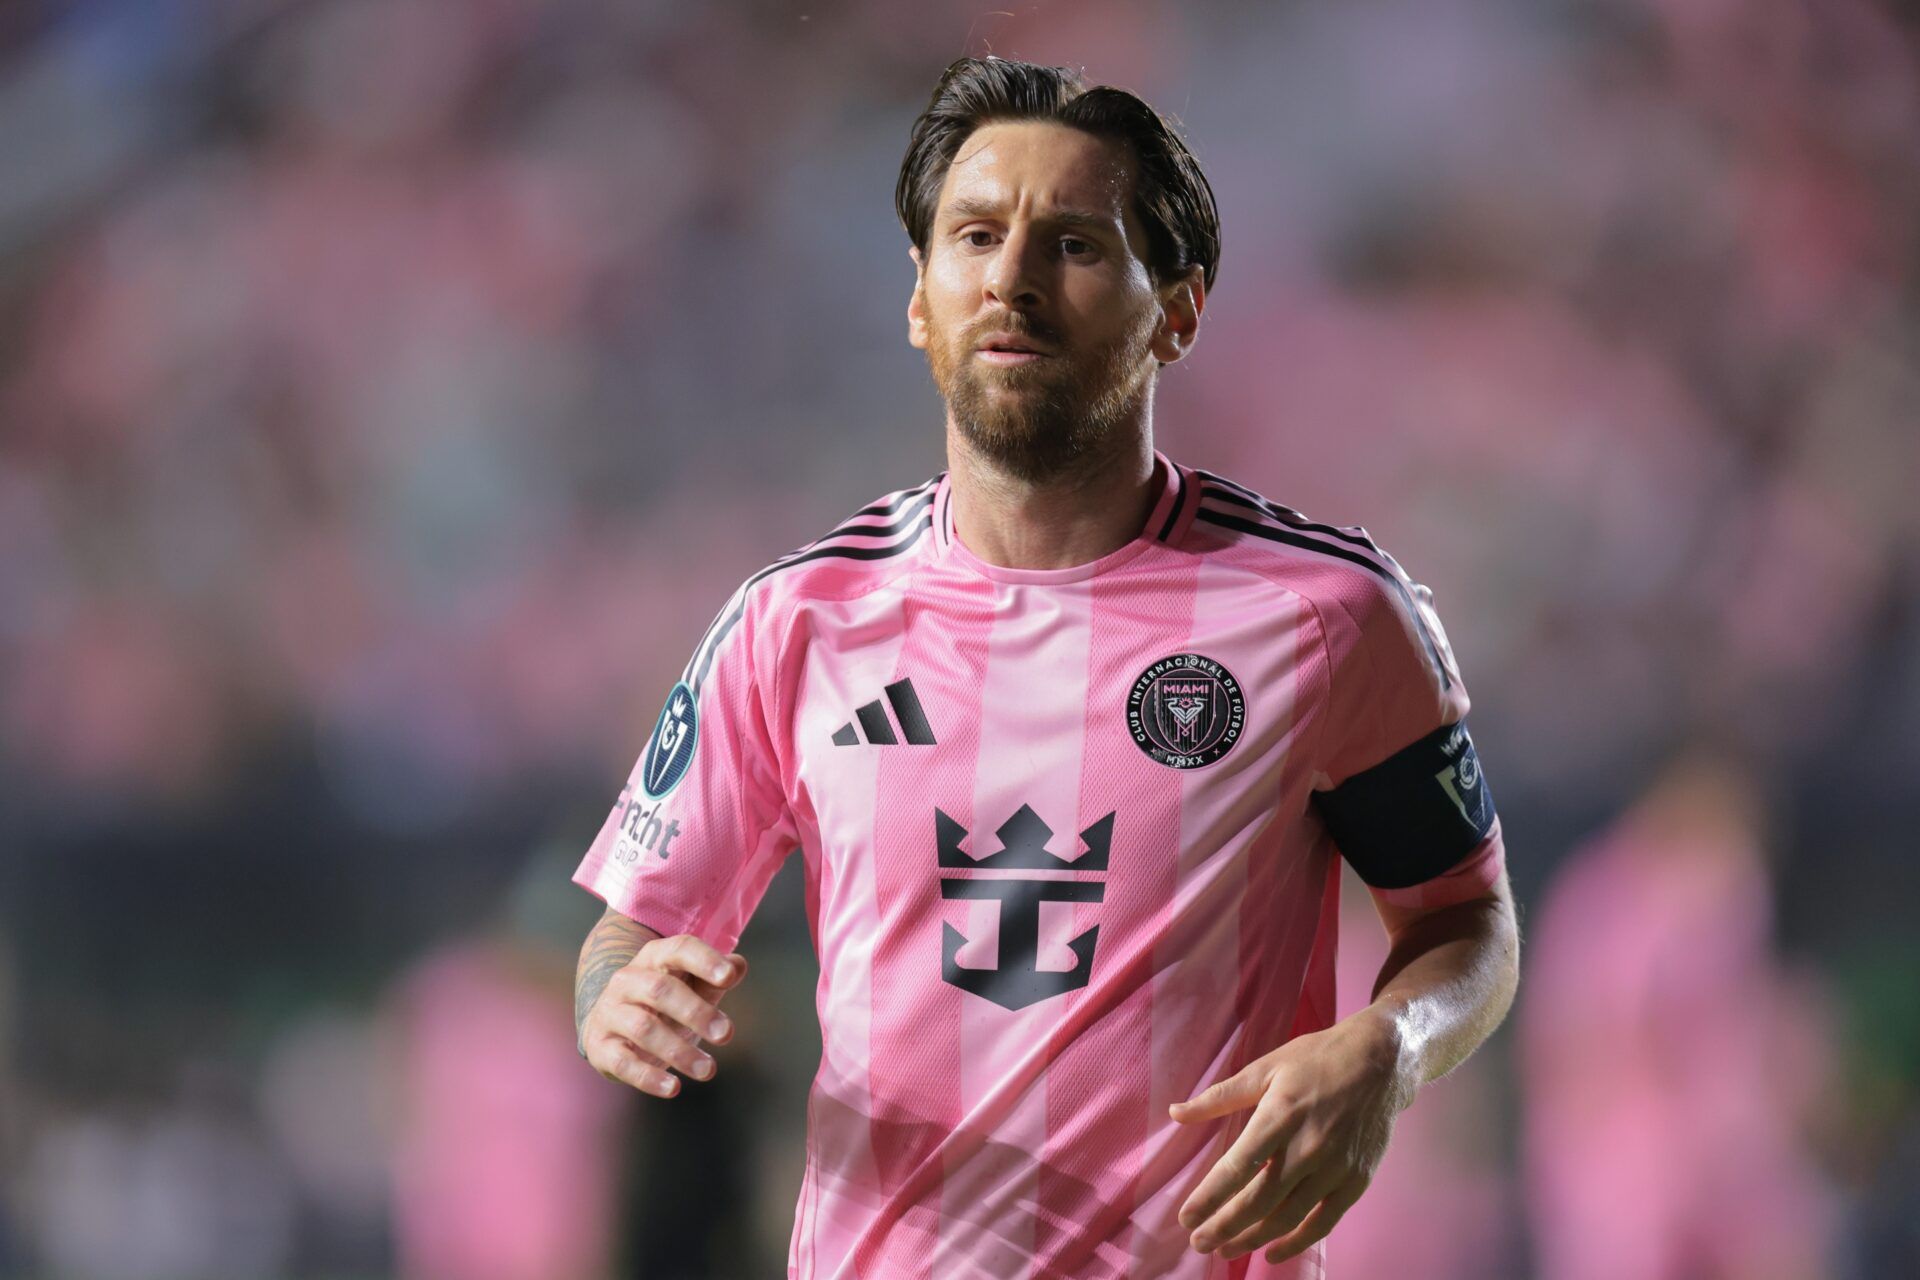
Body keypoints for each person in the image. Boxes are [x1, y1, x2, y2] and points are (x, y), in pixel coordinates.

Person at [571, 55, 1520, 1279]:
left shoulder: (1324, 613)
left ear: (1177, 309)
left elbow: (1466, 923)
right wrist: (616, 998)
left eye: (1072, 244)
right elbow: (626, 935)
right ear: (920, 298)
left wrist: (1391, 1046)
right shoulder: (795, 620)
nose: (1010, 279)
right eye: (975, 237)